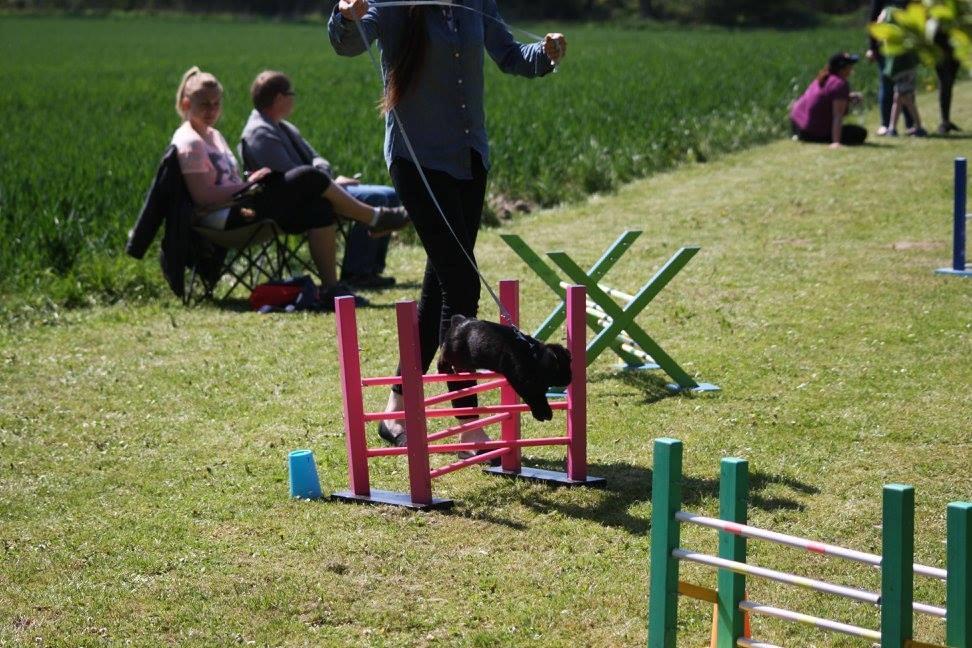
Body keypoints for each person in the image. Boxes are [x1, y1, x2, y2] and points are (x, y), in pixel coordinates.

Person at [328, 0, 567, 450]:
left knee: (440, 285)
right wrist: (346, 14)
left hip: (470, 158)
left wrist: (546, 53)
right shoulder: (394, 5)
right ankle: (467, 416)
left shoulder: (477, 4)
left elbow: (512, 55)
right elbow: (347, 43)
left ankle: (398, 400)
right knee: (461, 283)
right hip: (417, 161)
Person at [170, 66, 409, 306]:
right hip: (225, 216)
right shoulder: (190, 142)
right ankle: (375, 218)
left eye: (216, 103)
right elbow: (203, 197)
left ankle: (330, 289)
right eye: (205, 105)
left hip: (241, 205)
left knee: (320, 207)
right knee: (307, 177)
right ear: (186, 104)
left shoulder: (213, 135)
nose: (212, 110)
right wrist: (248, 186)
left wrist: (247, 185)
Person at [241, 70, 399, 290]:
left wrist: (325, 178)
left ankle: (371, 268)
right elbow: (293, 178)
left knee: (389, 194)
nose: (293, 98)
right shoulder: (259, 133)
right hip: (307, 197)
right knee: (375, 197)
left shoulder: (283, 126)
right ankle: (357, 272)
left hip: (326, 186)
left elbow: (316, 159)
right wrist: (328, 181)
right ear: (279, 98)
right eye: (291, 93)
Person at [790, 53, 868, 148]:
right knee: (860, 133)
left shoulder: (824, 77)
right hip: (812, 132)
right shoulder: (840, 84)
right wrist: (836, 142)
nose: (852, 69)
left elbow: (824, 97)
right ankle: (832, 139)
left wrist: (848, 97)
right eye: (850, 66)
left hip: (797, 126)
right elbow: (837, 115)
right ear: (842, 69)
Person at [867, 0, 915, 135]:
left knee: (906, 87)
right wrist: (872, 48)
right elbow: (873, 21)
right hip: (884, 48)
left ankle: (911, 124)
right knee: (887, 85)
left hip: (905, 47)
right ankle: (885, 124)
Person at [934, 29, 962, 135]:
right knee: (945, 83)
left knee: (948, 84)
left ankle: (946, 121)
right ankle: (944, 121)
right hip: (940, 49)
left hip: (954, 47)